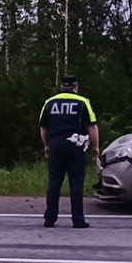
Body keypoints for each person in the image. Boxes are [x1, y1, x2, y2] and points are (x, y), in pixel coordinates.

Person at [38, 74, 99, 228]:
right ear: (76, 87)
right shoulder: (83, 102)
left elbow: (43, 127)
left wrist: (46, 145)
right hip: (75, 146)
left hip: (56, 145)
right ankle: (78, 220)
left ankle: (50, 219)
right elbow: (91, 126)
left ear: (62, 87)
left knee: (54, 182)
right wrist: (95, 147)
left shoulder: (49, 102)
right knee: (77, 182)